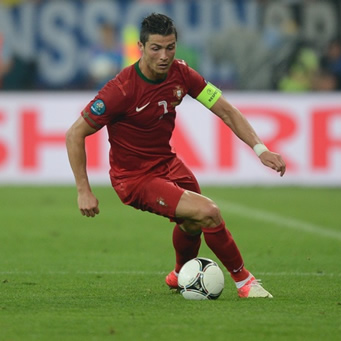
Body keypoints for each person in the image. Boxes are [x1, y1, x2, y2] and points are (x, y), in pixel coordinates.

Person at [66, 13, 286, 298]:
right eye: (156, 48)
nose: (164, 55)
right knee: (209, 212)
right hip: (134, 179)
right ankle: (245, 282)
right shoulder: (120, 90)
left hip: (167, 163)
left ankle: (179, 274)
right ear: (141, 47)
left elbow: (226, 110)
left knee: (193, 222)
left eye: (170, 47)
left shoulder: (181, 73)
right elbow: (75, 134)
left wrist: (261, 149)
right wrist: (84, 190)